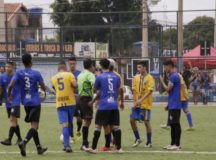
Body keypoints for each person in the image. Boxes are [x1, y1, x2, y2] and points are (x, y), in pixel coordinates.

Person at [8, 54, 47, 157]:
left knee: (33, 126)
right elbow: (43, 86)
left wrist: (9, 96)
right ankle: (24, 142)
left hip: (25, 103)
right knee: (34, 126)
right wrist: (43, 89)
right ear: (31, 61)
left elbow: (11, 85)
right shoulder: (36, 73)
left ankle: (39, 148)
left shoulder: (18, 72)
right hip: (35, 103)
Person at [86, 58, 123, 153]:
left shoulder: (100, 77)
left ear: (101, 66)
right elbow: (119, 89)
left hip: (103, 105)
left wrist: (96, 95)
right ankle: (119, 148)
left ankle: (93, 148)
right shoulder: (116, 77)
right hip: (114, 105)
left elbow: (94, 90)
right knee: (116, 127)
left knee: (98, 126)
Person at [51, 61, 77, 153]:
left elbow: (54, 88)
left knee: (64, 124)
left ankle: (67, 145)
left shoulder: (53, 78)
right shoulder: (69, 75)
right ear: (65, 67)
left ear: (58, 68)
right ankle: (67, 144)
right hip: (70, 102)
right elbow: (75, 85)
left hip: (60, 103)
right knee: (69, 123)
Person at [130, 60, 155, 148]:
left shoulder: (150, 78)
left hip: (145, 105)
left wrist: (141, 100)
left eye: (140, 67)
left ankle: (149, 142)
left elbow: (150, 91)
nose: (138, 69)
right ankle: (137, 139)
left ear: (145, 67)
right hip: (137, 104)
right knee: (132, 120)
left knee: (146, 122)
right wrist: (135, 101)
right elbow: (133, 90)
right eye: (138, 67)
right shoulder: (136, 78)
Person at [160, 60, 182, 151]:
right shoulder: (172, 76)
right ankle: (173, 143)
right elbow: (172, 92)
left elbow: (168, 89)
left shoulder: (174, 76)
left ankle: (177, 144)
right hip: (173, 104)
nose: (164, 69)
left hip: (175, 105)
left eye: (165, 67)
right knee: (173, 124)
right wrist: (168, 104)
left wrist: (162, 81)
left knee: (175, 124)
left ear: (170, 66)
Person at [0, 61, 22, 146]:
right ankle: (19, 138)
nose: (7, 68)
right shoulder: (2, 77)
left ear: (12, 67)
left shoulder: (16, 76)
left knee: (12, 120)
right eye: (6, 67)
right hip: (7, 102)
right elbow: (1, 88)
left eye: (9, 67)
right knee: (14, 121)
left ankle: (9, 139)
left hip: (15, 101)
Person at [77, 58, 96, 151]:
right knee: (87, 121)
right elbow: (95, 86)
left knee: (86, 121)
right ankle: (84, 144)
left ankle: (84, 143)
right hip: (86, 99)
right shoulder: (90, 75)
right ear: (91, 66)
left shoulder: (80, 74)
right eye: (93, 66)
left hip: (80, 99)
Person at [68, 57, 82, 143]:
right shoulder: (66, 74)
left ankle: (78, 130)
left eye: (73, 63)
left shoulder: (79, 74)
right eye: (70, 64)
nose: (72, 65)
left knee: (79, 119)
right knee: (70, 119)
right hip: (69, 99)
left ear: (76, 64)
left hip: (78, 99)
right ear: (68, 64)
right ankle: (72, 137)